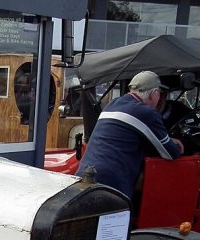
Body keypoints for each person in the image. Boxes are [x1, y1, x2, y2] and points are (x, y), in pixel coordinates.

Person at [75, 70, 183, 199]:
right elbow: (170, 154)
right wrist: (175, 144)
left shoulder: (112, 104)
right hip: (111, 183)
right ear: (154, 94)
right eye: (160, 93)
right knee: (117, 218)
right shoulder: (146, 113)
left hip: (85, 175)